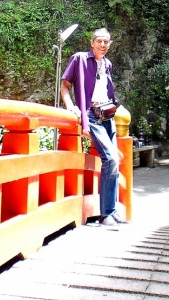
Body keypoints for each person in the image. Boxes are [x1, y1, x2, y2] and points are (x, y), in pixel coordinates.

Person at [60, 27, 129, 226]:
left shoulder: (108, 64)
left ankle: (112, 210)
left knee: (115, 161)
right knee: (111, 159)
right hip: (91, 115)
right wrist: (72, 107)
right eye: (99, 41)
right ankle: (106, 213)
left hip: (108, 117)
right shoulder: (80, 59)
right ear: (92, 43)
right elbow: (65, 86)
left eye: (106, 42)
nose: (103, 45)